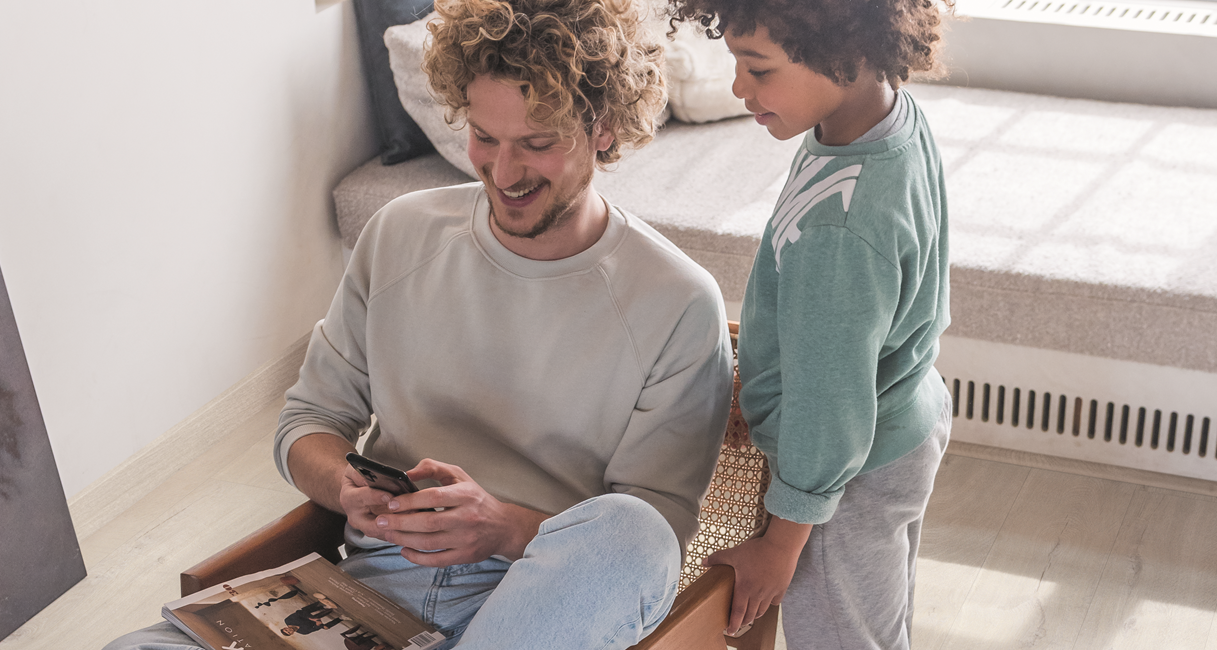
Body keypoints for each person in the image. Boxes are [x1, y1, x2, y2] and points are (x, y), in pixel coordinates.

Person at [99, 0, 731, 648]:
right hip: (366, 599)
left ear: (604, 128)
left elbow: (649, 543)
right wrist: (346, 487)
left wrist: (502, 527)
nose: (503, 173)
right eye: (484, 136)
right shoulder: (400, 234)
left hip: (531, 612)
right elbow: (307, 422)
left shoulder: (676, 302)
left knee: (633, 529)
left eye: (537, 144)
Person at [666, 0, 954, 647]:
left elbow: (829, 403)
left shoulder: (839, 230)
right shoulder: (879, 121)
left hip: (849, 476)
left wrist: (781, 542)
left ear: (846, 53)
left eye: (759, 68)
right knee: (873, 626)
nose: (739, 87)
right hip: (901, 416)